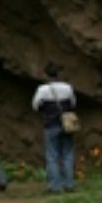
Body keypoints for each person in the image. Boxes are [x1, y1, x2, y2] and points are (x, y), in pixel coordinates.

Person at [31, 64, 78, 194]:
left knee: (52, 155)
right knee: (67, 154)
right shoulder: (67, 87)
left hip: (50, 124)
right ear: (58, 74)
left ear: (46, 75)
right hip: (66, 124)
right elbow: (73, 103)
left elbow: (35, 106)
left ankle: (55, 186)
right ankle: (69, 184)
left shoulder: (42, 89)